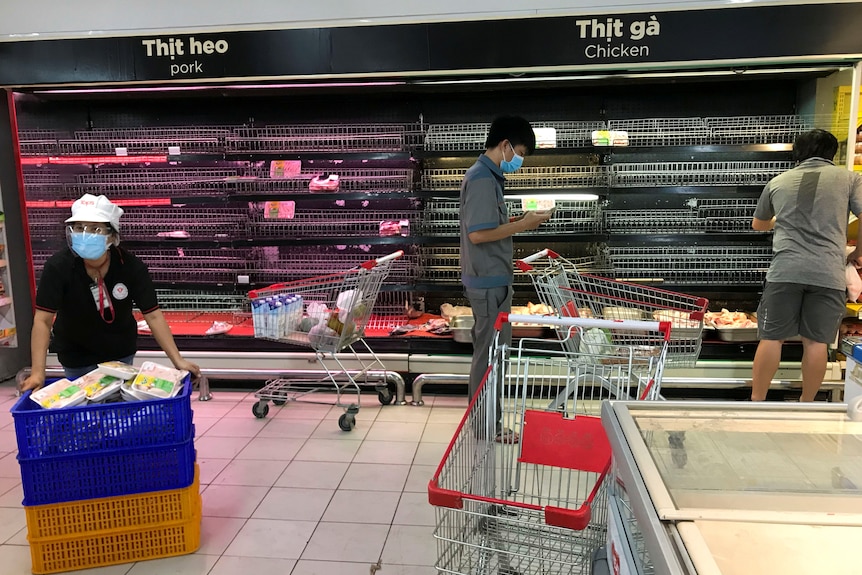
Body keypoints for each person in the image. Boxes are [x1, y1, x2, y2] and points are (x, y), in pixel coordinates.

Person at [21, 194, 201, 391]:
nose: (85, 234)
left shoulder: (131, 267)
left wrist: (178, 360)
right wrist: (38, 372)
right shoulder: (58, 267)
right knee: (85, 411)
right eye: (79, 228)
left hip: (120, 354)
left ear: (113, 236)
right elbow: (43, 320)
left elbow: (153, 315)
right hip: (76, 355)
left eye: (95, 229)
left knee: (118, 409)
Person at [751, 129, 862, 402]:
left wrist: (783, 220)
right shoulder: (849, 179)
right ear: (831, 153)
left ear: (797, 152)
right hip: (828, 272)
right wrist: (859, 251)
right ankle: (807, 403)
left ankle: (757, 401)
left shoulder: (779, 181)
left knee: (772, 338)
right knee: (816, 342)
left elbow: (759, 224)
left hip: (786, 271)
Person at [460, 116, 551, 442]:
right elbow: (479, 234)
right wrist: (522, 225)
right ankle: (487, 426)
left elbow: (487, 225)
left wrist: (518, 220)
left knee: (490, 355)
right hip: (488, 284)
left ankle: (487, 423)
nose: (520, 160)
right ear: (505, 145)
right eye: (520, 152)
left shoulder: (489, 177)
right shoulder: (484, 178)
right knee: (489, 358)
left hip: (489, 280)